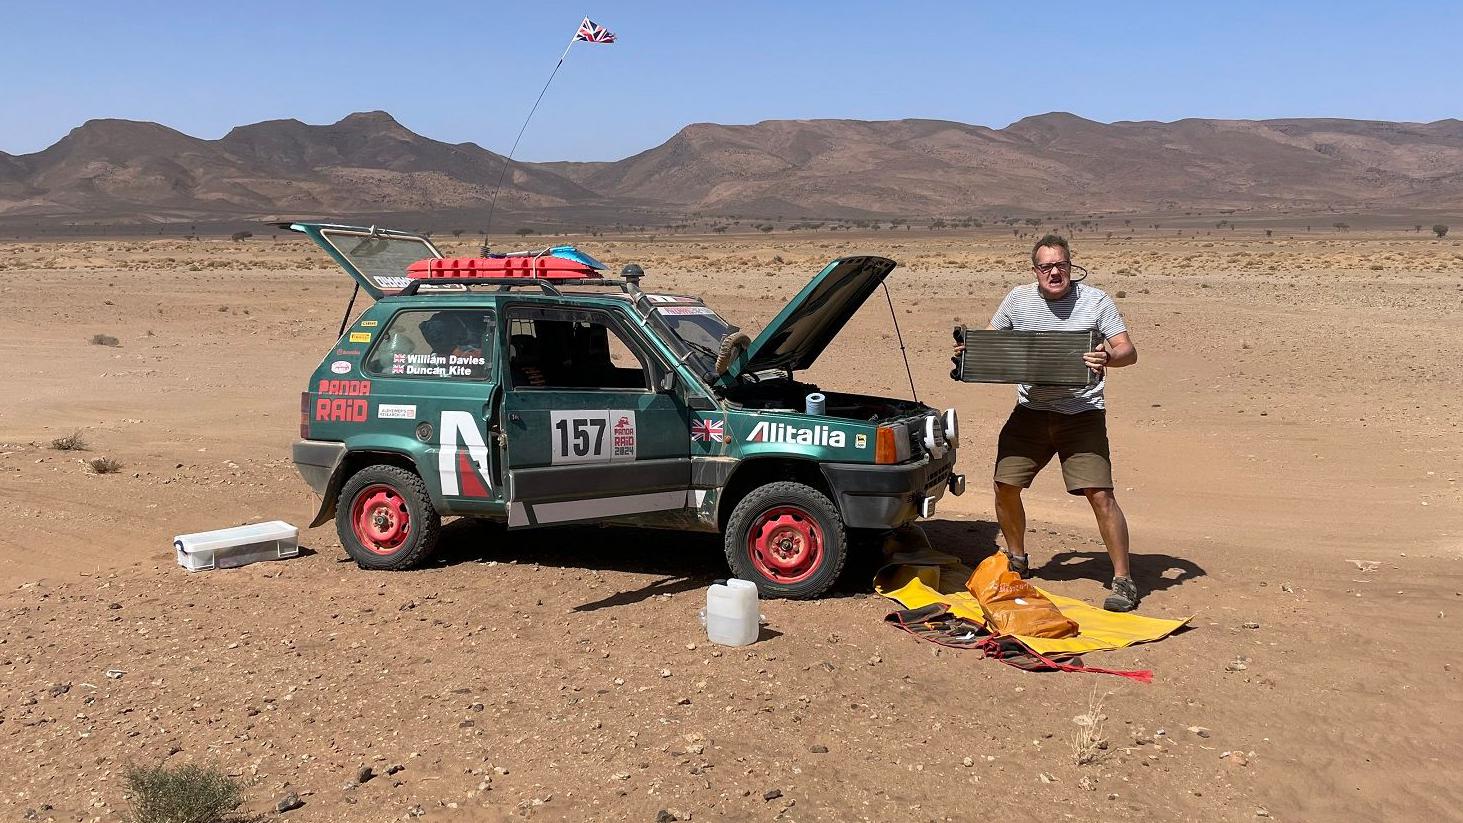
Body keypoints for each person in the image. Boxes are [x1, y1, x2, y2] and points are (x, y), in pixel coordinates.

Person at [957, 234, 1141, 611]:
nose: (1054, 272)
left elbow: (1127, 350)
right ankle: (1017, 559)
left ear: (1071, 266)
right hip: (1031, 412)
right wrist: (970, 352)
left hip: (1081, 413)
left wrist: (1108, 357)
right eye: (1046, 266)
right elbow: (993, 342)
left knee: (1100, 495)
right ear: (1035, 270)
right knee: (1005, 485)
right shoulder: (1018, 299)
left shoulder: (1096, 300)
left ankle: (1123, 580)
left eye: (1061, 265)